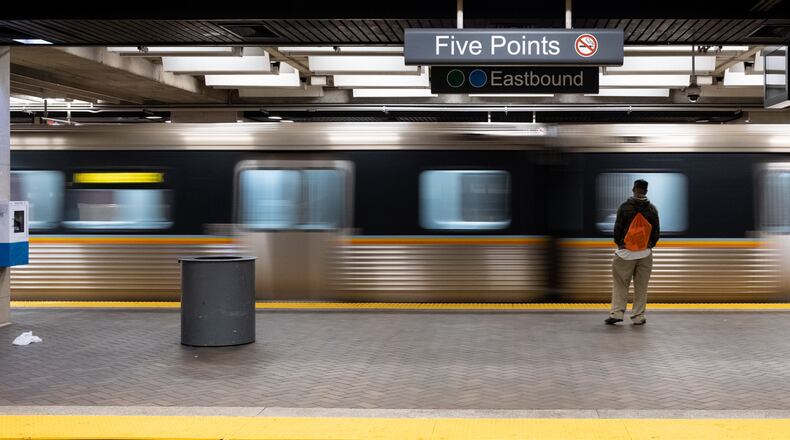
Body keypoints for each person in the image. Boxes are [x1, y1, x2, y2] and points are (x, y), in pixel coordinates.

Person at [605, 179, 660, 326]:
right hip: (645, 254)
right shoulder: (652, 209)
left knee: (620, 284)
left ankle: (617, 313)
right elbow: (656, 232)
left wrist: (620, 244)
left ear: (633, 189)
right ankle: (638, 316)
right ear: (646, 191)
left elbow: (617, 229)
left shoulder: (624, 207)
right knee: (641, 287)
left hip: (625, 254)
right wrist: (648, 245)